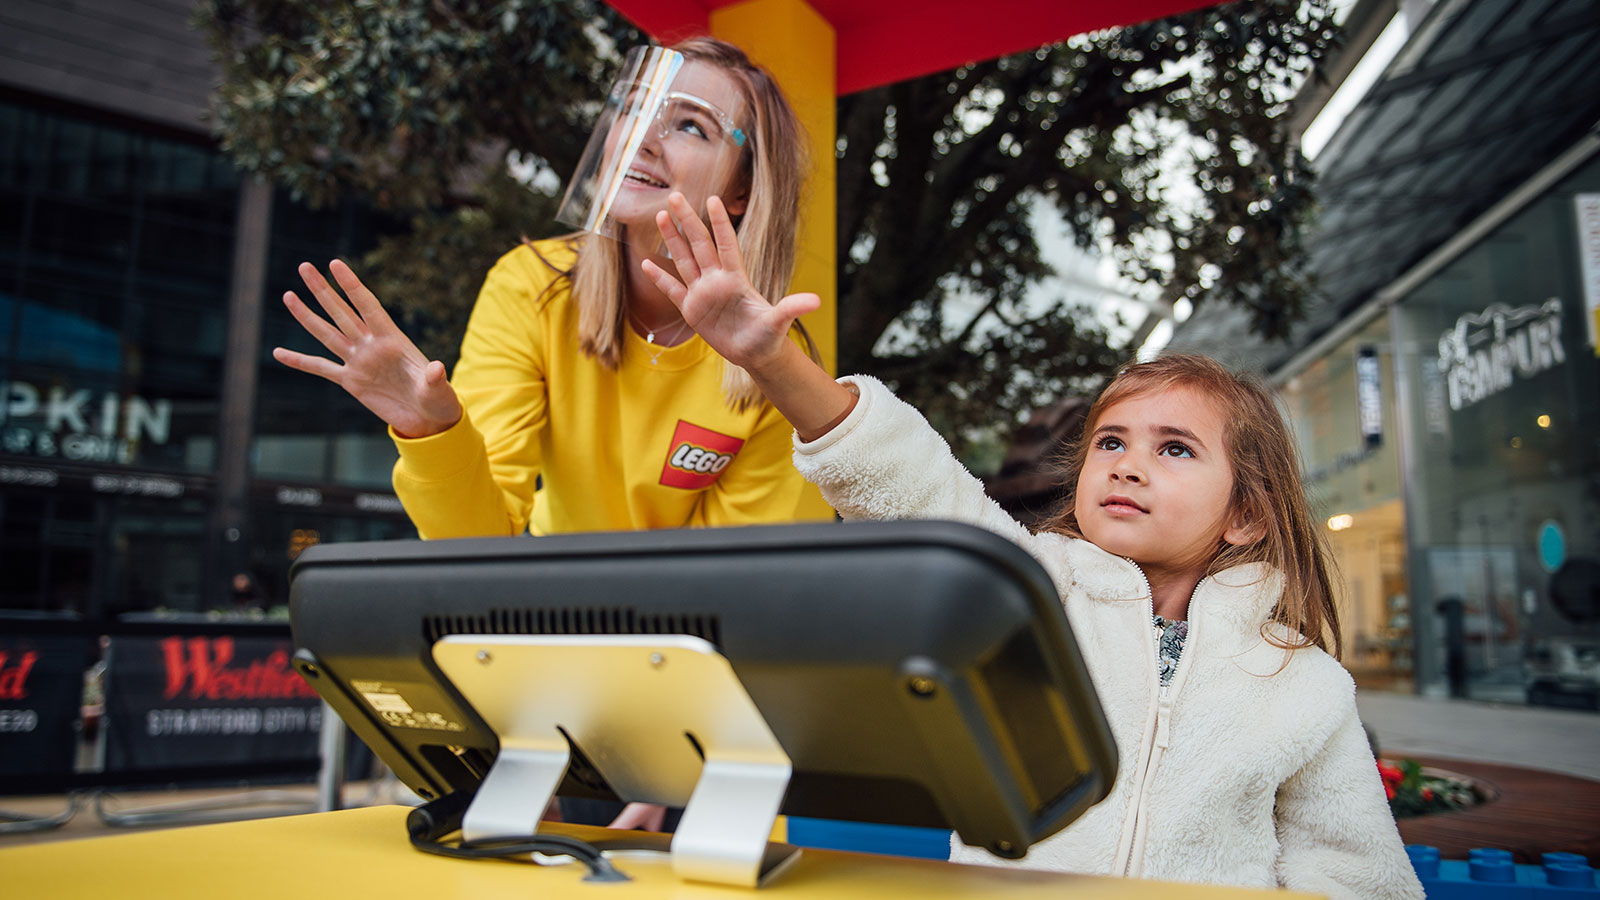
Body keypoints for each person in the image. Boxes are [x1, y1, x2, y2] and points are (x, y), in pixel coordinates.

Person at [637, 192, 1424, 899]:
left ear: (1246, 515)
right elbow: (910, 485)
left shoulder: (1305, 686)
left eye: (1175, 448)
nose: (1127, 463)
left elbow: (1360, 875)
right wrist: (775, 360)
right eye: (1110, 441)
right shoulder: (1027, 594)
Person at [273, 39, 822, 830]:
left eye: (691, 126)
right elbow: (479, 541)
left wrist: (683, 768)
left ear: (740, 193)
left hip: (704, 714)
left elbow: (744, 598)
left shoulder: (771, 362)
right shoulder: (530, 286)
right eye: (634, 109)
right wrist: (431, 431)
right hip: (536, 684)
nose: (643, 134)